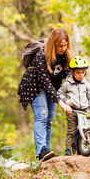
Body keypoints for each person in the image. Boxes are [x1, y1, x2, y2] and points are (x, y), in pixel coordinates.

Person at [18, 28, 72, 161]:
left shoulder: (66, 56)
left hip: (53, 88)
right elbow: (45, 81)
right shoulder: (42, 54)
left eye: (65, 45)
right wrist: (61, 102)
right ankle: (40, 151)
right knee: (42, 116)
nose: (63, 48)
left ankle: (46, 153)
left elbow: (69, 76)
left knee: (49, 120)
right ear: (54, 45)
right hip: (35, 86)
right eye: (60, 46)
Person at [58, 56, 90, 156]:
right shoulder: (67, 83)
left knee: (87, 128)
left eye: (83, 72)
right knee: (72, 130)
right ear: (72, 72)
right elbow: (59, 93)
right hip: (72, 111)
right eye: (78, 72)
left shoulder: (86, 83)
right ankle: (68, 148)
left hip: (84, 110)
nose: (80, 75)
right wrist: (65, 100)